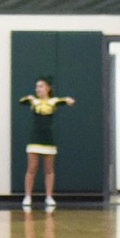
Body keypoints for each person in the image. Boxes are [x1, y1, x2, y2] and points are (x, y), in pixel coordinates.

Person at [18, 79, 75, 209]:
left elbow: (64, 100)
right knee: (32, 168)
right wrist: (28, 98)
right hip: (35, 138)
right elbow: (21, 102)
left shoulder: (53, 101)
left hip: (48, 139)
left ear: (48, 88)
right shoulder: (34, 101)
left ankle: (49, 196)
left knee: (49, 170)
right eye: (37, 86)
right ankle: (27, 196)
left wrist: (68, 100)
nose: (38, 89)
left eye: (41, 86)